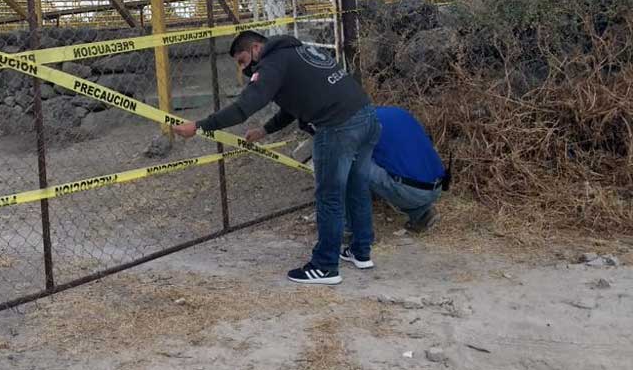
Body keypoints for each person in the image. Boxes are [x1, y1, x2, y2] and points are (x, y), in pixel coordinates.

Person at [173, 30, 379, 285]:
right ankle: (361, 251)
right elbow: (297, 102)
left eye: (242, 60)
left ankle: (325, 266)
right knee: (357, 187)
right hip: (367, 117)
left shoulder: (272, 63)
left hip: (337, 127)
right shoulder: (297, 53)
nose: (243, 68)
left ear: (257, 48)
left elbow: (242, 108)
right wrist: (265, 130)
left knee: (330, 196)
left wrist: (199, 126)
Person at [364, 106, 447, 233]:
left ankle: (353, 228)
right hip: (437, 186)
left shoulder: (365, 123)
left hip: (410, 191)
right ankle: (422, 214)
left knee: (351, 163)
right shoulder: (397, 112)